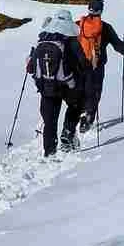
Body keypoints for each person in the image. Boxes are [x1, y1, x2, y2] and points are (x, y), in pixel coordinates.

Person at [26, 10, 88, 157]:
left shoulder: (42, 39)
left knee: (50, 120)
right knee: (76, 105)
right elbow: (83, 63)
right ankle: (68, 132)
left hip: (46, 86)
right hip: (67, 85)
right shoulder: (71, 41)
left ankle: (49, 152)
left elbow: (30, 67)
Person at [75, 0, 124, 133]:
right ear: (101, 11)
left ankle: (80, 113)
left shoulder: (78, 25)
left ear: (89, 9)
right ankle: (88, 117)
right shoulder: (105, 28)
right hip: (97, 66)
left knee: (81, 90)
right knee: (95, 91)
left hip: (79, 65)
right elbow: (118, 46)